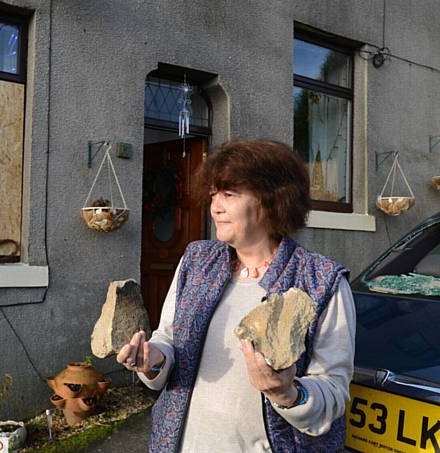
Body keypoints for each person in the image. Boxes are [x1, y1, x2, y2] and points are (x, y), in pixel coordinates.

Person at [117, 139, 356, 452]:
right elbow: (168, 339)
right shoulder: (197, 260)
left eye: (229, 194)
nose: (215, 206)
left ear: (272, 200)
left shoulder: (322, 280)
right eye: (214, 193)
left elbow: (334, 390)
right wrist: (153, 360)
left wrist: (287, 393)